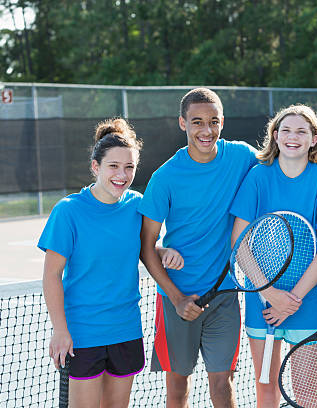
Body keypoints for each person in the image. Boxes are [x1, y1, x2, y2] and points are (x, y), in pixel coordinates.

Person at [39, 118, 183, 407]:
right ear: (96, 167)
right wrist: (60, 330)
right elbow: (52, 275)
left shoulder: (137, 206)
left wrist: (164, 251)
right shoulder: (68, 212)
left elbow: (145, 247)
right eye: (113, 166)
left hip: (126, 329)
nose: (122, 174)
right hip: (83, 332)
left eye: (129, 167)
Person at [138, 88, 258, 408]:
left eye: (214, 121)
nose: (206, 131)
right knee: (178, 388)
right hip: (178, 298)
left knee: (223, 383)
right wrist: (177, 299)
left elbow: (286, 163)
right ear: (183, 123)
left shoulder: (242, 156)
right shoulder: (164, 177)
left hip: (225, 293)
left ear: (222, 122)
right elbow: (145, 247)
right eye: (197, 122)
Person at [229, 104, 317, 407]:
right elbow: (240, 239)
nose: (293, 137)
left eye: (302, 131)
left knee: (305, 390)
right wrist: (269, 292)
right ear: (275, 136)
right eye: (286, 130)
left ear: (314, 139)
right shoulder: (258, 177)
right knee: (266, 390)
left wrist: (292, 300)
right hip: (261, 300)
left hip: (306, 300)